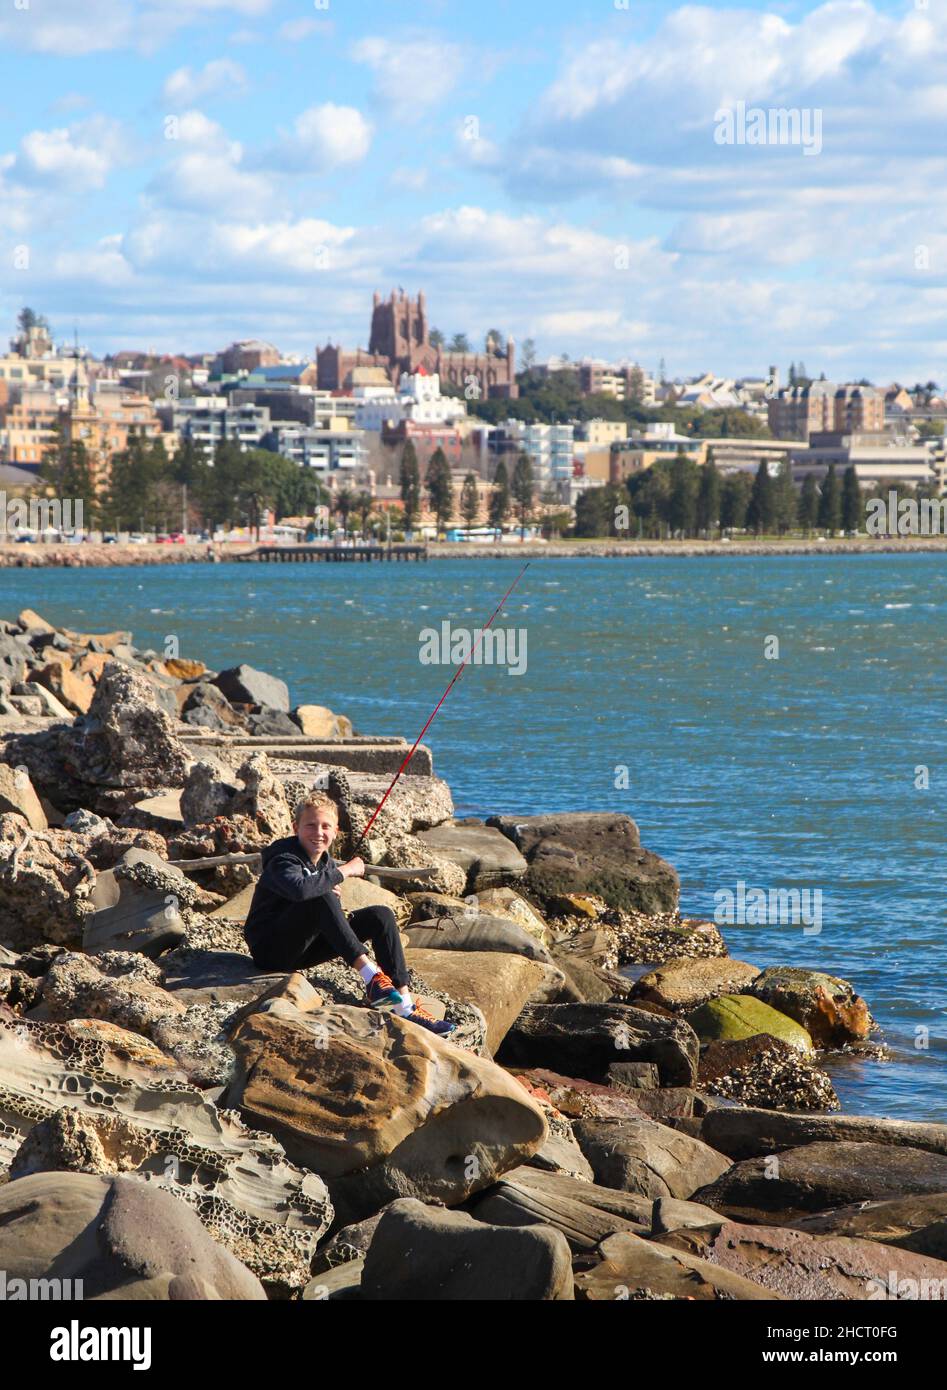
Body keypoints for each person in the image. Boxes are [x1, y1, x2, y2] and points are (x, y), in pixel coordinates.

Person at [244, 791, 456, 1036]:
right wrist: (346, 871)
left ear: (336, 831)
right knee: (317, 892)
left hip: (304, 949)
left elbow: (316, 901)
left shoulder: (323, 861)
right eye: (310, 825)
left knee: (381, 915)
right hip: (270, 952)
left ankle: (403, 1004)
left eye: (326, 826)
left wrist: (332, 888)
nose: (319, 832)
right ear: (296, 828)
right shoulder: (282, 858)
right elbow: (300, 890)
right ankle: (371, 977)